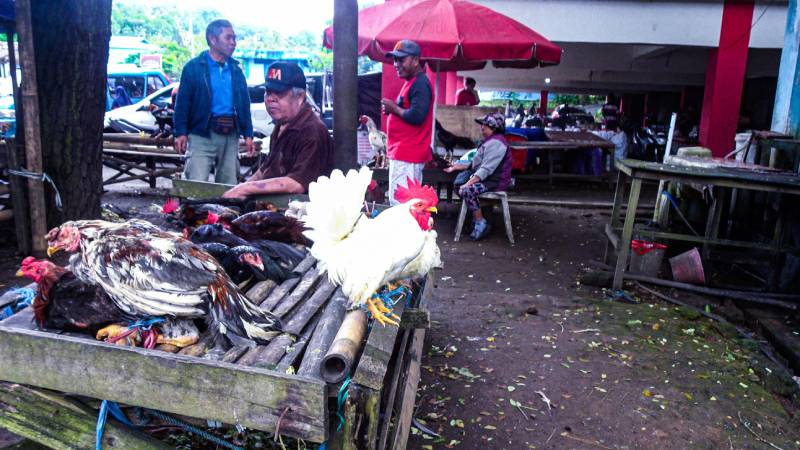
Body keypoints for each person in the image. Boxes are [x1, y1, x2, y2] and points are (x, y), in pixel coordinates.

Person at [223, 61, 333, 198]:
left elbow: (296, 184)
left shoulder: (312, 131)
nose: (270, 99)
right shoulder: (283, 124)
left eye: (279, 94)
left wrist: (245, 189)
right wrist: (240, 188)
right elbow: (265, 169)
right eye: (268, 92)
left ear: (300, 97)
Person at [174, 19, 254, 186]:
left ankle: (225, 213)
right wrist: (180, 132)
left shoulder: (236, 70)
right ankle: (193, 212)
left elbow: (244, 104)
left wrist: (248, 134)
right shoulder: (194, 67)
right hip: (201, 133)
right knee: (195, 185)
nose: (233, 43)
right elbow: (183, 103)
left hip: (230, 134)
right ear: (212, 39)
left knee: (229, 186)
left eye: (234, 38)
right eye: (228, 38)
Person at [380, 40, 433, 205]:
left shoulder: (421, 84)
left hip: (408, 155)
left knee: (402, 206)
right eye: (395, 60)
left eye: (401, 60)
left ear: (416, 60)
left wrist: (394, 108)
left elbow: (417, 116)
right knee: (401, 204)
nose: (396, 64)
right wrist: (393, 109)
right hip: (404, 154)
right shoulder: (412, 82)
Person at [444, 113, 512, 241]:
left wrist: (468, 183)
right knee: (461, 186)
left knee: (466, 190)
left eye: (485, 125)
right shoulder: (491, 141)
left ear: (494, 127)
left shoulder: (497, 143)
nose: (482, 127)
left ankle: (481, 222)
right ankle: (475, 219)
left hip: (495, 181)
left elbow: (485, 170)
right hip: (488, 180)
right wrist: (456, 166)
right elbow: (475, 163)